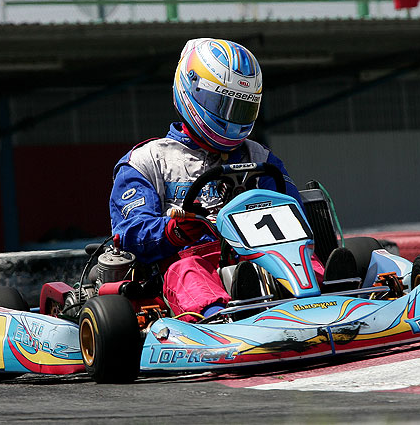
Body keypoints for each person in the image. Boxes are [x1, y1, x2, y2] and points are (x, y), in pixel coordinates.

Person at [110, 38, 305, 321]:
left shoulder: (260, 156)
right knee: (188, 271)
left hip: (257, 259)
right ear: (193, 91)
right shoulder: (146, 161)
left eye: (241, 109)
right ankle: (217, 319)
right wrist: (172, 231)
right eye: (223, 105)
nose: (233, 119)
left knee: (299, 254)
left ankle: (324, 292)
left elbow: (293, 214)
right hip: (185, 264)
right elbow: (130, 231)